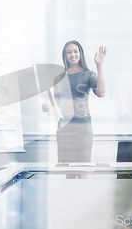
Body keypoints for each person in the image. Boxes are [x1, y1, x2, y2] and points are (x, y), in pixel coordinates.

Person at [42, 41, 106, 178]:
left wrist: (99, 65)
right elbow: (57, 106)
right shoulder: (58, 78)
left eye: (75, 51)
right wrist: (48, 108)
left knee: (82, 171)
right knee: (68, 173)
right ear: (65, 56)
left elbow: (100, 93)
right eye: (69, 52)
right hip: (64, 128)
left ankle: (84, 199)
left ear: (80, 54)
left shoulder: (88, 75)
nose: (73, 54)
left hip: (82, 128)